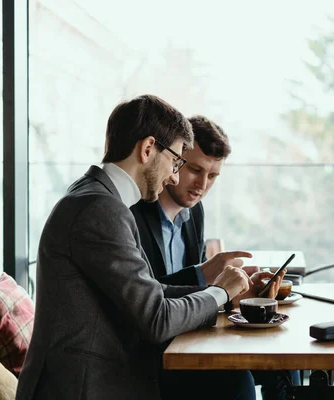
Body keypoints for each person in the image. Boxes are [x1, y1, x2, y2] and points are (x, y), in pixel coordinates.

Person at [16, 95, 281, 400]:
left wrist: (226, 295)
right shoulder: (101, 209)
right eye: (176, 161)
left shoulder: (96, 198)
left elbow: (152, 292)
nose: (174, 175)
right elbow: (157, 318)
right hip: (87, 388)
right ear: (147, 149)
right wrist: (218, 292)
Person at [131, 115, 298, 400]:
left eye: (213, 176)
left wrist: (239, 293)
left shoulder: (194, 213)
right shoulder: (134, 213)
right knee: (235, 381)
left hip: (192, 338)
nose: (202, 184)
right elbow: (145, 297)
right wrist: (206, 276)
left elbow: (196, 295)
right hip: (153, 353)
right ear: (175, 161)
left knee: (284, 361)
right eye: (195, 170)